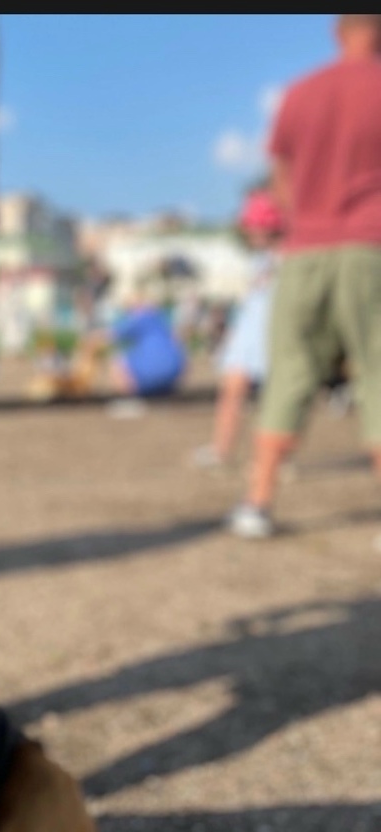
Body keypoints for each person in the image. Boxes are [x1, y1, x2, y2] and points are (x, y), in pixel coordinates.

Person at [228, 13, 381, 540]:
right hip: (371, 246)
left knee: (288, 370)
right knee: (378, 372)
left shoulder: (301, 92)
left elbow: (280, 181)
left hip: (303, 249)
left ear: (339, 30)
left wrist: (307, 222)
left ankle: (258, 502)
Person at [192, 184, 286, 469]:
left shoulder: (288, 258)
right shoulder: (260, 260)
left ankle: (273, 457)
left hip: (275, 337)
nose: (248, 232)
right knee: (232, 390)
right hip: (249, 340)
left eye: (253, 226)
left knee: (275, 401)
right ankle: (222, 450)